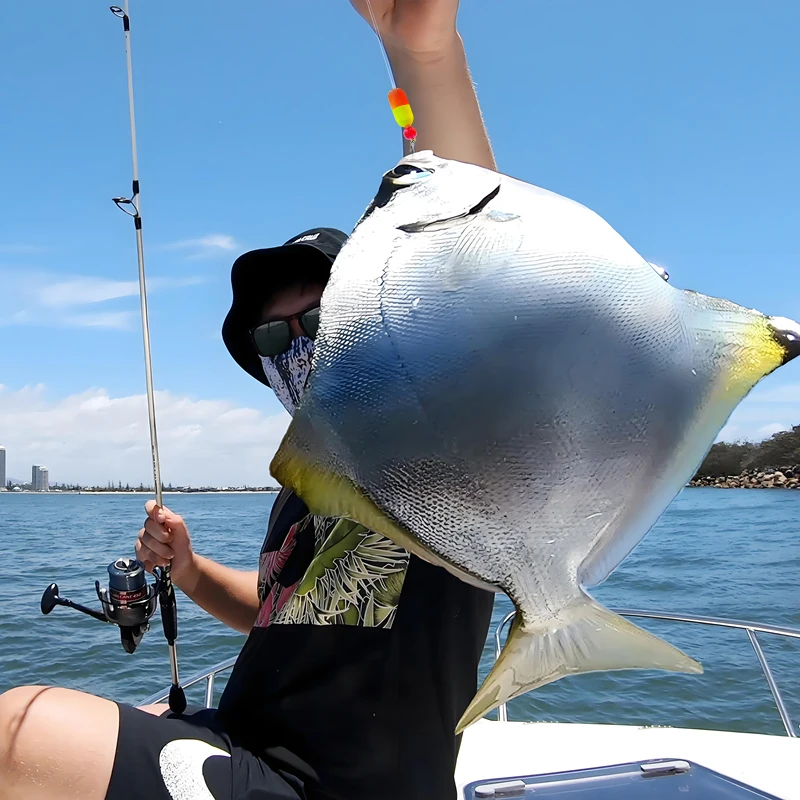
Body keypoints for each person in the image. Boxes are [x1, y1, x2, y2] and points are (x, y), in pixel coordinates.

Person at [0, 2, 496, 799]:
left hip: (335, 788)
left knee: (19, 729)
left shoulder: (435, 450)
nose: (297, 345)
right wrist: (190, 571)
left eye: (320, 318)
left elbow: (465, 245)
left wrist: (424, 55)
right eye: (272, 340)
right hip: (242, 748)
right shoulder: (301, 488)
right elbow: (277, 613)